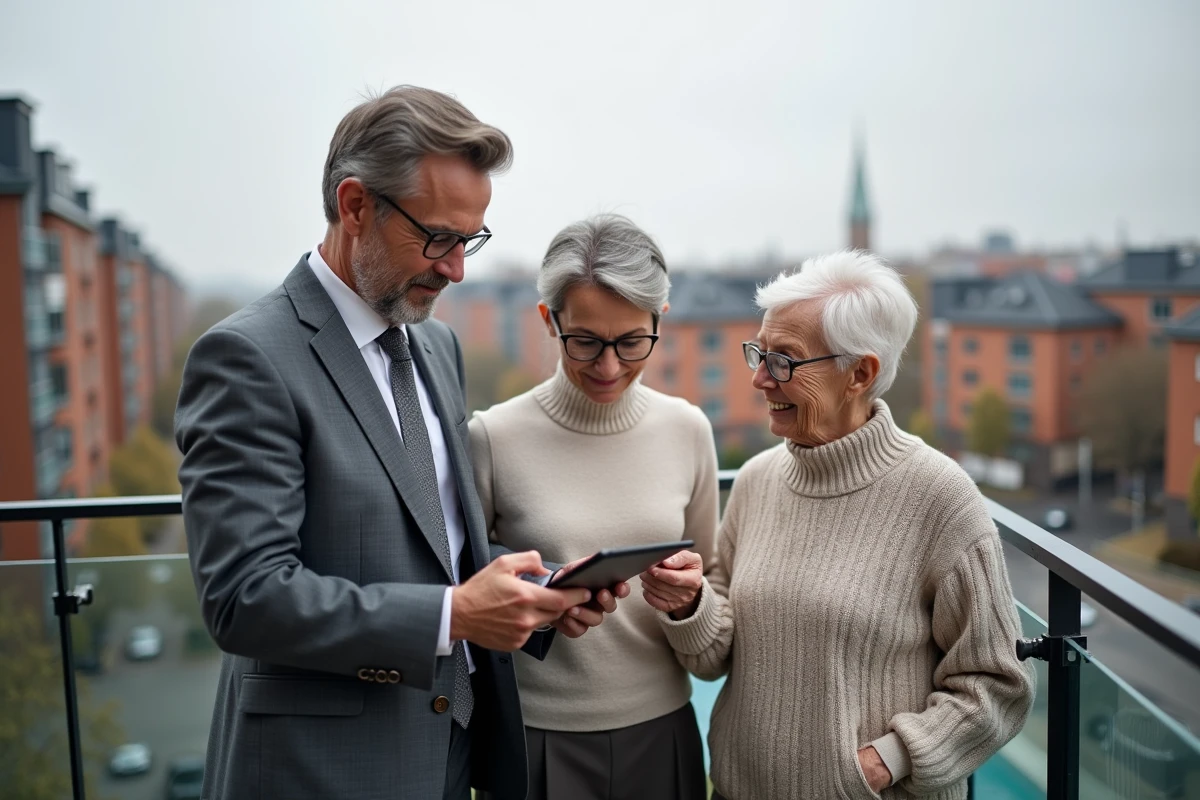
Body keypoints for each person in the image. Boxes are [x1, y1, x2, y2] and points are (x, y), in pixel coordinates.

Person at [175, 86, 612, 800]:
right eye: (438, 238)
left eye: (469, 241)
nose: (456, 269)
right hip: (319, 772)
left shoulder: (435, 345)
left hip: (449, 757)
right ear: (355, 206)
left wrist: (541, 592)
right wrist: (455, 615)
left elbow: (435, 545)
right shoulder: (247, 358)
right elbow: (244, 597)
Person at [645, 250, 1036, 799]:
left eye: (784, 361)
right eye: (759, 353)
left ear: (860, 373)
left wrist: (884, 762)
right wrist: (690, 605)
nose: (759, 378)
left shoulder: (939, 498)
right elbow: (714, 660)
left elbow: (999, 684)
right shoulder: (756, 481)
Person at [468, 214, 718, 800]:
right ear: (547, 320)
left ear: (659, 320)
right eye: (584, 341)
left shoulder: (688, 430)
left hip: (662, 730)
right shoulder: (492, 437)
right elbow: (464, 588)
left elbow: (714, 581)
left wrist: (690, 601)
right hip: (534, 738)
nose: (609, 367)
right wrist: (541, 600)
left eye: (631, 342)